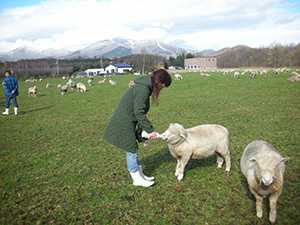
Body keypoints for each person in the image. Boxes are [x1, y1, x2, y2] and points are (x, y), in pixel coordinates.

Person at [103, 69, 172, 187]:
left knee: (133, 149)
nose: (162, 87)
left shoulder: (144, 88)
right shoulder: (143, 89)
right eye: (163, 84)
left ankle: (140, 175)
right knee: (131, 149)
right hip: (124, 122)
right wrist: (150, 130)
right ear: (159, 81)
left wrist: (143, 129)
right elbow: (139, 112)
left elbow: (137, 112)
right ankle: (136, 178)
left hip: (129, 120)